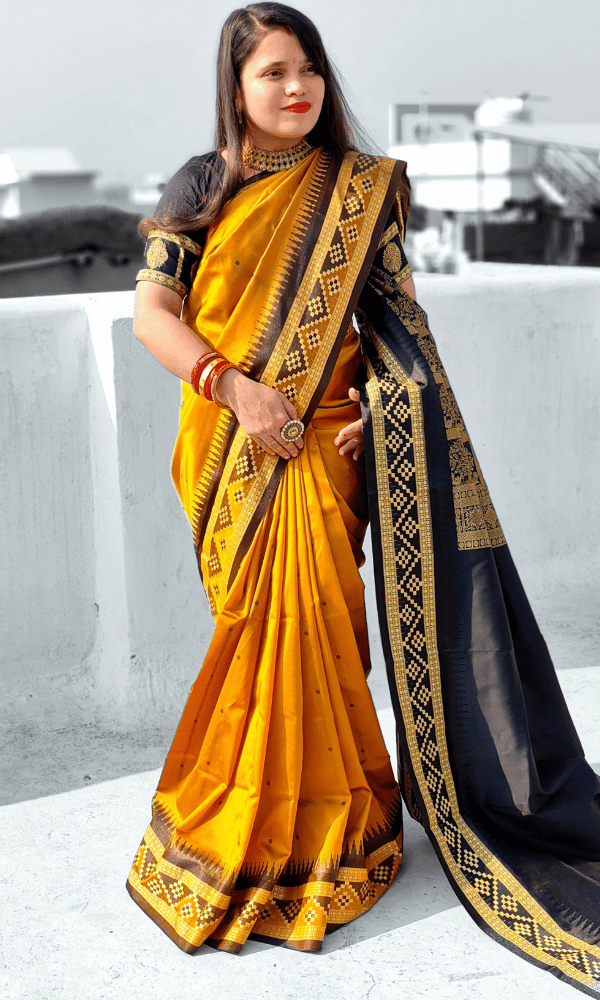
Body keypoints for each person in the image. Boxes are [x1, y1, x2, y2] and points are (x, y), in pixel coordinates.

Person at [127, 3, 600, 992]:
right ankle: (251, 830)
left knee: (323, 638)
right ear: (237, 86)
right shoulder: (202, 186)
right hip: (236, 452)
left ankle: (346, 825)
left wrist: (387, 414)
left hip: (330, 453)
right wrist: (237, 390)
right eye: (272, 73)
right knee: (258, 631)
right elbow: (154, 315)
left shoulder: (363, 192)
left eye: (309, 70)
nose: (296, 88)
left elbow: (400, 330)